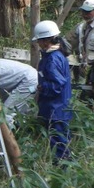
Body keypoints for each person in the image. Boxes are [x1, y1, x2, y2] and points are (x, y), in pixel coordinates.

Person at [31, 20, 72, 161]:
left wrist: (43, 88)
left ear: (45, 41)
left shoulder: (53, 59)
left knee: (59, 142)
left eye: (39, 41)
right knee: (60, 139)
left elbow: (57, 85)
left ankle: (63, 168)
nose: (38, 44)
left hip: (56, 108)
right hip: (57, 108)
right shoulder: (55, 56)